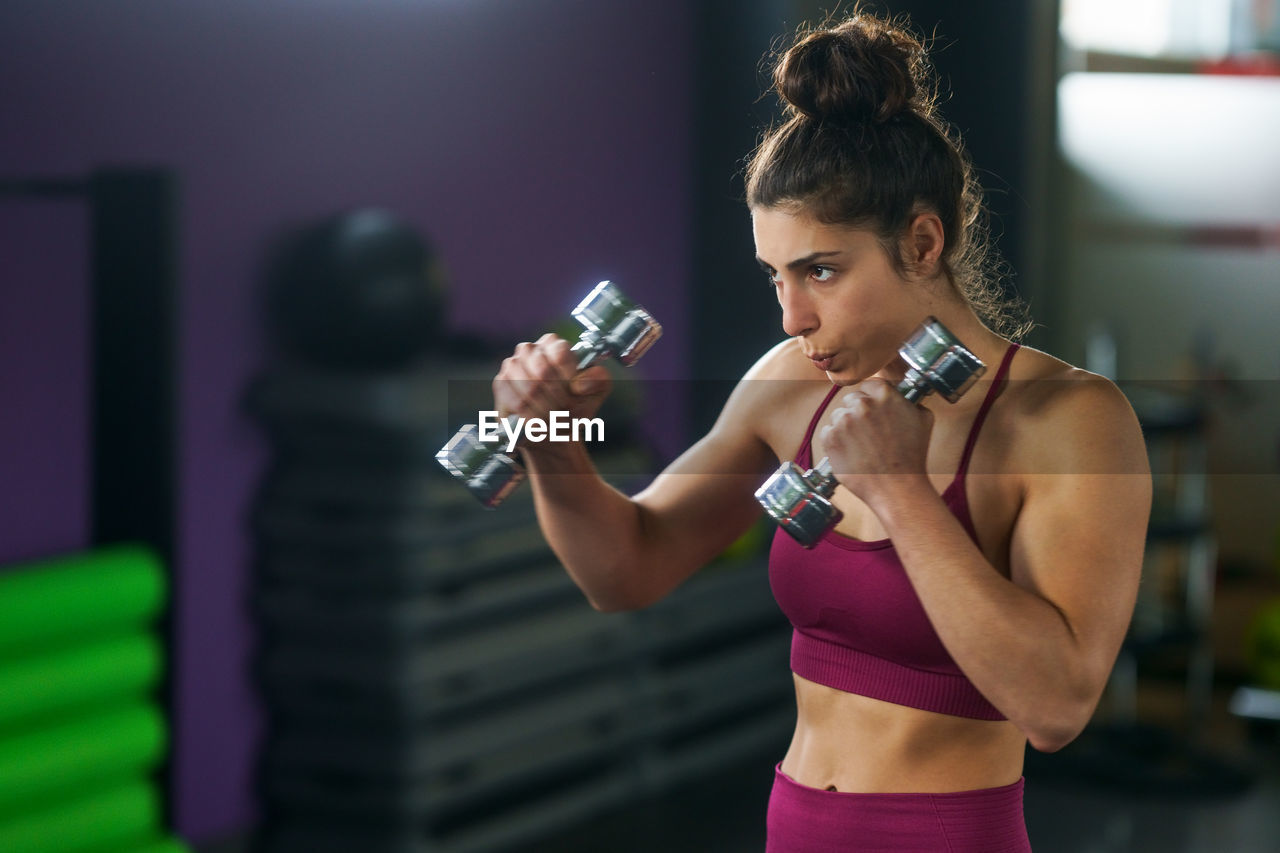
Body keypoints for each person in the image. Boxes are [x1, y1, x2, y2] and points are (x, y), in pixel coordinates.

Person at [491, 11, 1150, 851]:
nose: (794, 315)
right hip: (794, 827)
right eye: (776, 275)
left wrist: (903, 492)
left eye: (822, 271)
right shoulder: (790, 383)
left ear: (921, 241)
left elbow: (1056, 706)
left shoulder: (1069, 421)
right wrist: (552, 446)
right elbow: (628, 567)